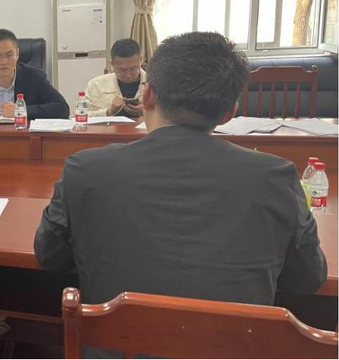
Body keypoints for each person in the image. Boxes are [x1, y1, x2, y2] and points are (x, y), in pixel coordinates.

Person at [34, 32, 326, 308]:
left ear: (148, 96)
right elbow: (307, 279)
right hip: (233, 340)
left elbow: (51, 258)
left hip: (115, 341)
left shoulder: (85, 170)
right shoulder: (275, 177)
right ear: (229, 113)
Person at [85, 38, 146, 117]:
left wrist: (148, 112)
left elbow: (163, 116)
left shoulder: (156, 84)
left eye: (133, 69)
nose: (128, 75)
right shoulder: (96, 85)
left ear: (140, 60)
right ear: (112, 64)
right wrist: (108, 112)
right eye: (122, 70)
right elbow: (80, 116)